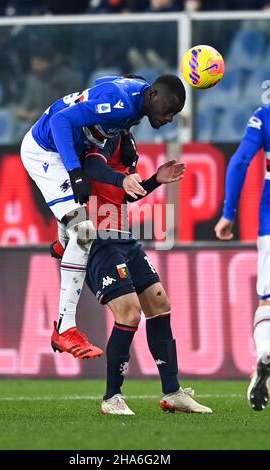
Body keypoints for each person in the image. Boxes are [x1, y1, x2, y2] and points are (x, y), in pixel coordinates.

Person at [20, 74, 186, 359]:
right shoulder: (122, 105)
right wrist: (74, 171)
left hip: (67, 149)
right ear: (153, 95)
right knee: (84, 231)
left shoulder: (135, 99)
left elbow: (102, 80)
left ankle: (64, 245)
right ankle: (65, 328)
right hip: (46, 151)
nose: (169, 119)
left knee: (77, 224)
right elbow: (62, 121)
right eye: (169, 111)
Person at [52, 131, 212, 415]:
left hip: (124, 237)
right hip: (97, 238)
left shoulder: (127, 142)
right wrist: (121, 179)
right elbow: (92, 169)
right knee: (128, 312)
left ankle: (172, 392)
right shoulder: (100, 136)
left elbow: (125, 193)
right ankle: (112, 397)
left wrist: (153, 181)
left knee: (160, 303)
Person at [215, 105, 270, 411]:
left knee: (267, 302)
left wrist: (228, 214)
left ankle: (264, 352)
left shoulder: (265, 115)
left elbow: (240, 162)